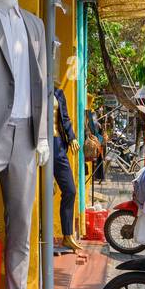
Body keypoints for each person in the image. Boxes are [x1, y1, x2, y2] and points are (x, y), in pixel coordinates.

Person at [52, 86, 80, 252]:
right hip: (37, 144)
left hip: (58, 145)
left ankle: (67, 235)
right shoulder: (31, 86)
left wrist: (72, 138)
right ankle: (42, 235)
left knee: (70, 190)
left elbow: (65, 118)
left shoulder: (58, 92)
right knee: (44, 194)